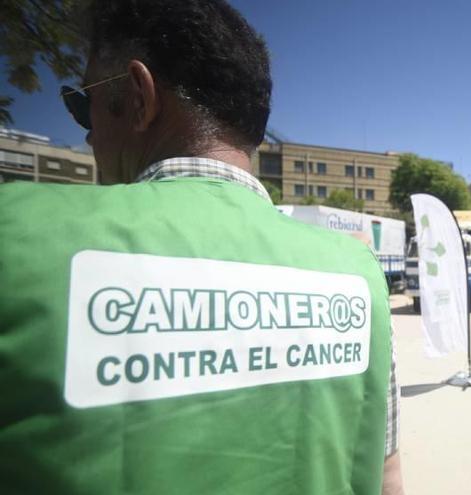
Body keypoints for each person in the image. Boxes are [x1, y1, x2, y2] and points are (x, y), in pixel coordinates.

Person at [0, 1, 403, 494]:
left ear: (140, 96)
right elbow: (387, 478)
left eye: (82, 103)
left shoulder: (14, 232)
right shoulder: (357, 274)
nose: (85, 132)